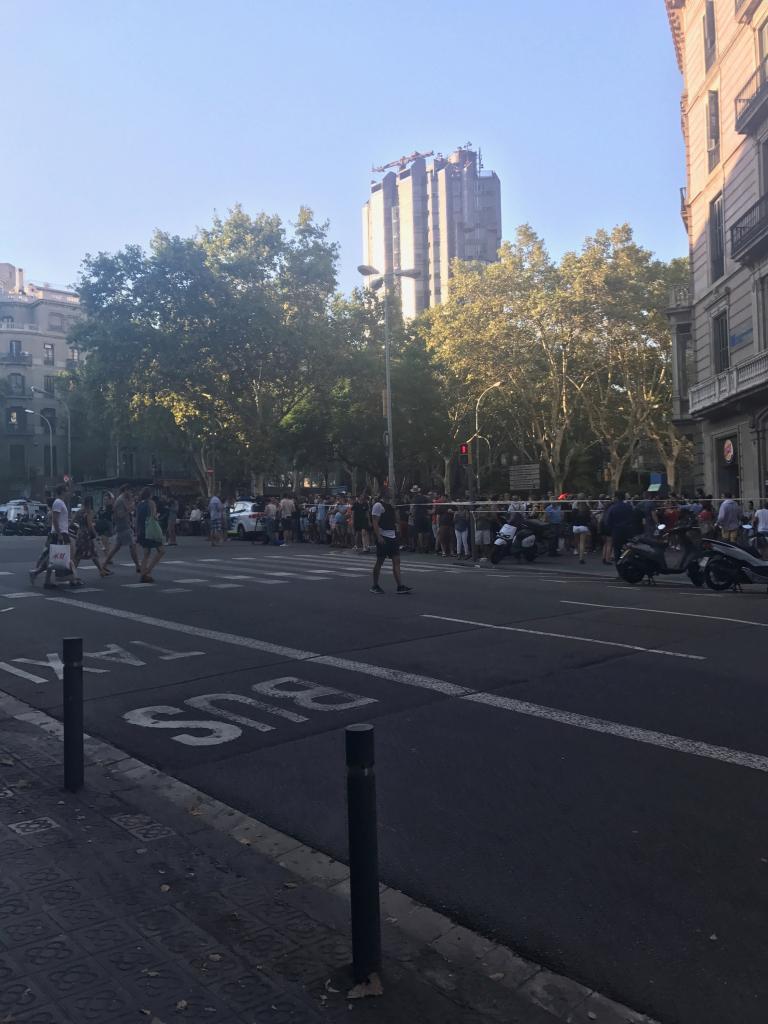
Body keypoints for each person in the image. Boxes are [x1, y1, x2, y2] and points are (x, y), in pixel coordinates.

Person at [370, 490, 412, 595]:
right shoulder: (378, 505)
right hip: (383, 536)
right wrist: (378, 536)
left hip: (392, 535)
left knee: (397, 560)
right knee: (380, 561)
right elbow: (375, 522)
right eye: (388, 492)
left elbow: (397, 520)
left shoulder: (391, 506)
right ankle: (375, 585)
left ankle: (400, 586)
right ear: (384, 494)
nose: (391, 493)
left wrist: (395, 510)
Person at [104, 484, 142, 573]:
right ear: (125, 490)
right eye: (130, 491)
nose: (131, 493)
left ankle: (104, 564)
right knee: (132, 546)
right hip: (124, 526)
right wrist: (129, 509)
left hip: (123, 526)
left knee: (116, 548)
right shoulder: (120, 501)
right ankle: (138, 565)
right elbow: (120, 515)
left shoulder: (121, 499)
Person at [72, 496, 111, 578]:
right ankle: (72, 573)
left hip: (80, 533)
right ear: (90, 503)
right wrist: (96, 534)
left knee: (82, 554)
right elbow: (90, 526)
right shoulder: (88, 512)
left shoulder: (79, 512)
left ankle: (101, 570)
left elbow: (73, 521)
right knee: (90, 553)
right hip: (86, 535)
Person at [136, 487, 165, 583]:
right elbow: (154, 516)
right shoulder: (151, 503)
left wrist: (137, 532)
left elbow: (137, 519)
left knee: (146, 554)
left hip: (141, 530)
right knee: (161, 551)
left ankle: (143, 574)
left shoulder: (139, 504)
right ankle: (147, 572)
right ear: (150, 495)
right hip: (150, 530)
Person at [603, 491, 635, 563]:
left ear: (616, 497)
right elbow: (633, 518)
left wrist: (609, 529)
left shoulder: (612, 508)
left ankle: (618, 563)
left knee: (617, 549)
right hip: (628, 531)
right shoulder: (629, 507)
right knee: (629, 548)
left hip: (616, 531)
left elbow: (608, 521)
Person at [571, 494, 592, 564]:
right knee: (582, 543)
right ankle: (581, 558)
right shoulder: (587, 508)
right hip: (583, 526)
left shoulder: (575, 507)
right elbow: (589, 518)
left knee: (577, 541)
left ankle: (576, 550)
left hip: (575, 526)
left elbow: (572, 517)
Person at [94, 492, 115, 556]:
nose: (105, 501)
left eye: (107, 499)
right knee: (103, 542)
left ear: (110, 500)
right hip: (101, 526)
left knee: (106, 540)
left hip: (108, 526)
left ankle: (108, 555)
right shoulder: (101, 508)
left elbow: (114, 517)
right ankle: (107, 555)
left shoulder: (112, 507)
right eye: (104, 499)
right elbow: (96, 515)